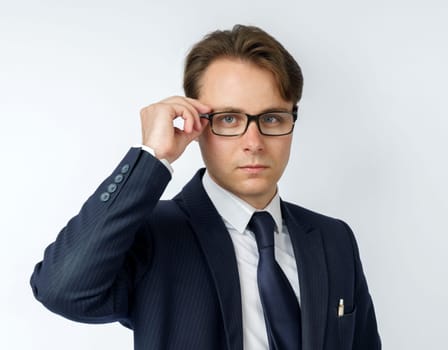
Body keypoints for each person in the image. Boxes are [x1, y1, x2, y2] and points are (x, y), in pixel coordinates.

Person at [30, 24, 381, 350]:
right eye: (229, 119)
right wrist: (152, 156)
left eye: (272, 118)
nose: (253, 142)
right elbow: (61, 290)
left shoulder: (333, 238)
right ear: (196, 125)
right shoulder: (152, 233)